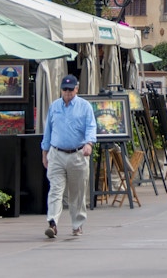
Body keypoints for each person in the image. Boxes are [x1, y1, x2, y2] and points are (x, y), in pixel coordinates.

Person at [40, 74, 97, 238]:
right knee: (55, 191)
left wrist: (89, 143)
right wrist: (45, 153)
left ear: (76, 89)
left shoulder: (84, 106)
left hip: (77, 154)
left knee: (77, 193)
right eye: (64, 90)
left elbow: (91, 127)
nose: (67, 93)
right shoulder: (54, 106)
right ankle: (52, 223)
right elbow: (48, 132)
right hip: (56, 153)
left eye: (70, 90)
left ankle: (77, 225)